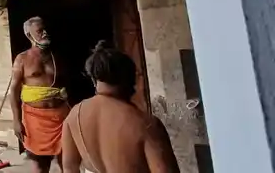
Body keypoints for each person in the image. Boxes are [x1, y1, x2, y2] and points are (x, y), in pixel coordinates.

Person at [62, 41, 179, 173]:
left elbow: (69, 168)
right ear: (128, 78)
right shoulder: (146, 124)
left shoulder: (74, 115)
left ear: (94, 80)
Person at [10, 16, 69, 173]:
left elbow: (67, 85)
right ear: (29, 35)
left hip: (60, 118)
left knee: (67, 160)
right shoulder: (22, 59)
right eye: (40, 31)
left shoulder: (57, 57)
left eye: (45, 29)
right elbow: (14, 91)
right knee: (40, 165)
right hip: (34, 120)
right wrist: (16, 120)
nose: (45, 33)